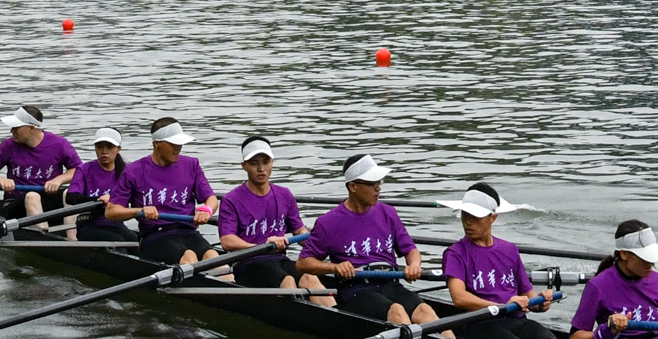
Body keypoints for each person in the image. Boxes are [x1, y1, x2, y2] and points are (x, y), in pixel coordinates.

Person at [435, 187, 576, 339]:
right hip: (480, 324)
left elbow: (529, 298)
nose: (468, 222)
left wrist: (541, 303)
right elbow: (459, 298)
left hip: (516, 321)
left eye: (475, 217)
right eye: (465, 215)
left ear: (493, 218)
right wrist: (502, 305)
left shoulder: (509, 250)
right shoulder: (456, 253)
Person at [295, 153, 438, 326]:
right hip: (356, 290)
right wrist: (334, 267)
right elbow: (303, 263)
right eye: (372, 183)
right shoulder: (328, 223)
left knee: (425, 311)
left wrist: (414, 265)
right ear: (353, 186)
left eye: (379, 182)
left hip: (390, 284)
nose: (378, 188)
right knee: (397, 311)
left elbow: (411, 250)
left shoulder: (388, 213)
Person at [105, 118, 218, 265]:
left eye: (180, 143)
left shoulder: (191, 165)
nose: (178, 148)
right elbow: (111, 212)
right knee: (189, 257)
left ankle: (227, 285)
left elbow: (212, 199)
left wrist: (206, 210)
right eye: (173, 144)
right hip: (155, 236)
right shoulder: (134, 171)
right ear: (157, 143)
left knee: (214, 257)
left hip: (188, 231)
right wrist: (138, 211)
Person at [215, 134, 316, 293]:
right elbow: (227, 241)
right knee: (288, 280)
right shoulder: (231, 200)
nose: (261, 169)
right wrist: (262, 247)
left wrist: (319, 236)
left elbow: (300, 232)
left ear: (272, 163)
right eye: (254, 164)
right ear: (244, 166)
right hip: (248, 263)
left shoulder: (285, 195)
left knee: (311, 278)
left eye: (266, 162)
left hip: (279, 259)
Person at [0, 106, 78, 221]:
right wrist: (1, 181)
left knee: (70, 194)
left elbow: (78, 170)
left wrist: (59, 180)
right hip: (16, 203)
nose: (12, 131)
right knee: (32, 196)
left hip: (48, 200)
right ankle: (40, 235)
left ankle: (74, 237)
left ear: (31, 128)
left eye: (16, 127)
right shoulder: (8, 146)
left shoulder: (60, 144)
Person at [68, 128, 134, 242]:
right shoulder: (84, 169)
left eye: (109, 147)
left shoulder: (126, 172)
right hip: (89, 225)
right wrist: (97, 199)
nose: (104, 151)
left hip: (115, 224)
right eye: (99, 147)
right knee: (117, 240)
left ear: (118, 149)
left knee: (134, 239)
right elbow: (71, 197)